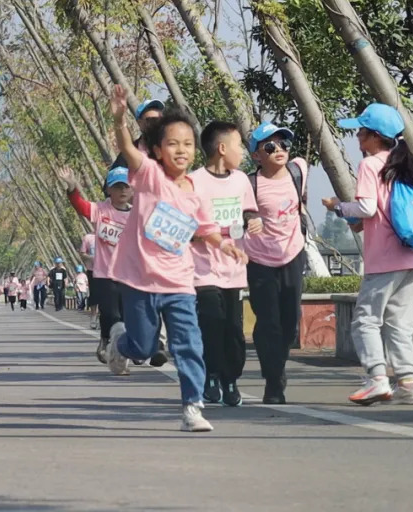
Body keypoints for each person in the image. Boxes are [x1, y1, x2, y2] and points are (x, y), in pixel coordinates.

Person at [103, 85, 248, 432]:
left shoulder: (195, 192)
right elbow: (127, 149)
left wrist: (225, 245)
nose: (181, 150)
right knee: (144, 347)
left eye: (187, 144)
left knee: (188, 343)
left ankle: (192, 407)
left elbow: (206, 227)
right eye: (172, 144)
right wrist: (120, 119)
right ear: (157, 150)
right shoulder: (149, 176)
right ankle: (121, 343)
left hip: (180, 281)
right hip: (141, 278)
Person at [322, 103, 413, 406]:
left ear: (375, 136)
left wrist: (338, 207)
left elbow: (368, 208)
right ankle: (408, 383)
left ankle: (377, 379)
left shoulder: (370, 165)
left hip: (384, 257)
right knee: (399, 323)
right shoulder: (403, 165)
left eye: (361, 131)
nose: (357, 136)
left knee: (365, 321)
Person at [190, 121, 261, 407]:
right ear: (222, 148)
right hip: (203, 270)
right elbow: (182, 224)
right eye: (238, 146)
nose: (242, 152)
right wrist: (205, 235)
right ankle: (210, 377)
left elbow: (249, 212)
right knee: (211, 325)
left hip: (234, 270)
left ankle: (230, 379)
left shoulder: (241, 181)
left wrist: (253, 221)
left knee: (232, 330)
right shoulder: (194, 181)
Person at [243, 121, 308, 405]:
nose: (279, 150)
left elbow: (301, 201)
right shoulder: (249, 184)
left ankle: (276, 365)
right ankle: (273, 381)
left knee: (290, 323)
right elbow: (238, 215)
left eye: (284, 144)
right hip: (259, 260)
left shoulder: (299, 170)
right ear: (256, 155)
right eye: (270, 146)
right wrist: (250, 220)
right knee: (269, 322)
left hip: (293, 254)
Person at [59, 165, 134, 363]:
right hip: (105, 274)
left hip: (129, 275)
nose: (122, 191)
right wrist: (72, 186)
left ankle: (128, 346)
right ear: (108, 189)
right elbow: (79, 205)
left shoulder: (137, 214)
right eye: (117, 187)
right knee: (110, 313)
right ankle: (106, 339)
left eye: (126, 186)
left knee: (126, 315)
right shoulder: (101, 209)